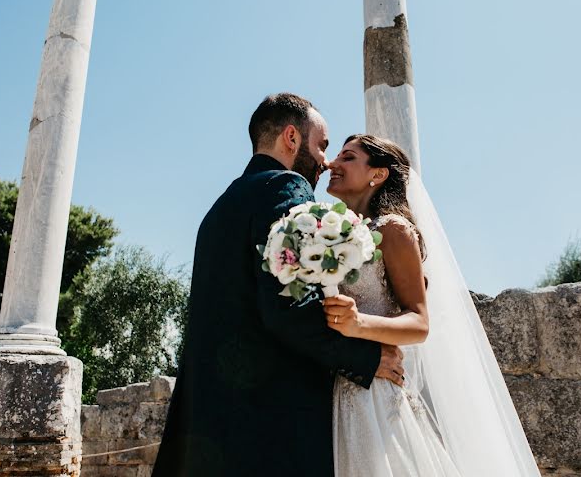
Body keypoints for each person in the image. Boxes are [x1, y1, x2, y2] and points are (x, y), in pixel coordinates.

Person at [151, 94, 405, 477]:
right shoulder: (287, 188)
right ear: (291, 138)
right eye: (321, 146)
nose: (326, 160)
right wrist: (366, 359)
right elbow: (287, 307)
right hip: (270, 428)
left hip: (208, 423)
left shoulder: (219, 208)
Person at [323, 134, 542, 477]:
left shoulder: (393, 230)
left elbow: (419, 323)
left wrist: (357, 324)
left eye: (348, 158)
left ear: (377, 175)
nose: (332, 164)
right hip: (337, 384)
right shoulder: (331, 234)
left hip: (375, 395)